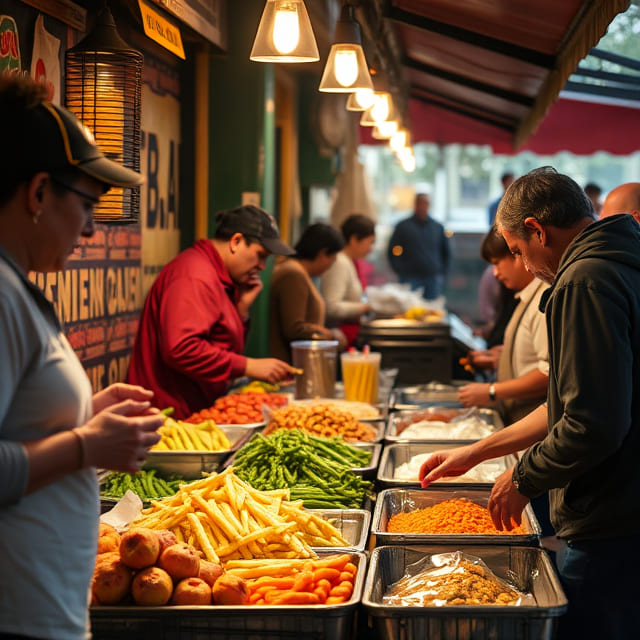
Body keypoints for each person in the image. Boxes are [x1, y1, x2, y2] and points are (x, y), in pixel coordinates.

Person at [420, 167, 640, 640]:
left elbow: (592, 423)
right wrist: (478, 453)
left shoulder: (584, 280)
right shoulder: (619, 261)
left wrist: (524, 476)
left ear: (538, 230)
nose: (524, 266)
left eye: (518, 251)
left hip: (612, 515)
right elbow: (566, 401)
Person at [0, 72, 165, 640]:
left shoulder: (17, 286)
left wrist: (87, 413)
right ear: (39, 193)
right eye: (87, 205)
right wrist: (86, 445)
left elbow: (17, 424)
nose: (93, 227)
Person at [127, 205, 297, 419]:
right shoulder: (195, 276)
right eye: (260, 255)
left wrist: (241, 310)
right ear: (235, 242)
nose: (263, 266)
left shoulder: (219, 276)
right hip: (165, 418)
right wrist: (248, 365)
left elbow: (219, 344)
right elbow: (181, 348)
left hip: (190, 411)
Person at [458, 228, 549, 426]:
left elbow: (549, 375)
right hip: (517, 418)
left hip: (532, 423)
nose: (496, 273)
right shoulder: (525, 297)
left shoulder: (543, 300)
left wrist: (492, 391)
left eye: (497, 263)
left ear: (518, 255)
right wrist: (504, 356)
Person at [269, 222, 347, 362]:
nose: (331, 265)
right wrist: (331, 335)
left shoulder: (296, 271)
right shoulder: (293, 274)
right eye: (332, 259)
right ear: (323, 253)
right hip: (286, 365)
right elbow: (294, 329)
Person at [320, 214, 375, 347]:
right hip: (341, 337)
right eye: (369, 242)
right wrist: (366, 307)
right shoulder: (340, 262)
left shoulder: (349, 262)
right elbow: (331, 307)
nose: (370, 249)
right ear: (354, 239)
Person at [387, 192, 450, 299]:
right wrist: (399, 269)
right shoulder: (403, 226)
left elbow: (445, 252)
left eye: (425, 203)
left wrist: (441, 272)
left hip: (432, 277)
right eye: (420, 203)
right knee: (409, 308)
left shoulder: (437, 227)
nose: (423, 206)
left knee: (431, 309)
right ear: (415, 204)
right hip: (410, 277)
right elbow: (393, 250)